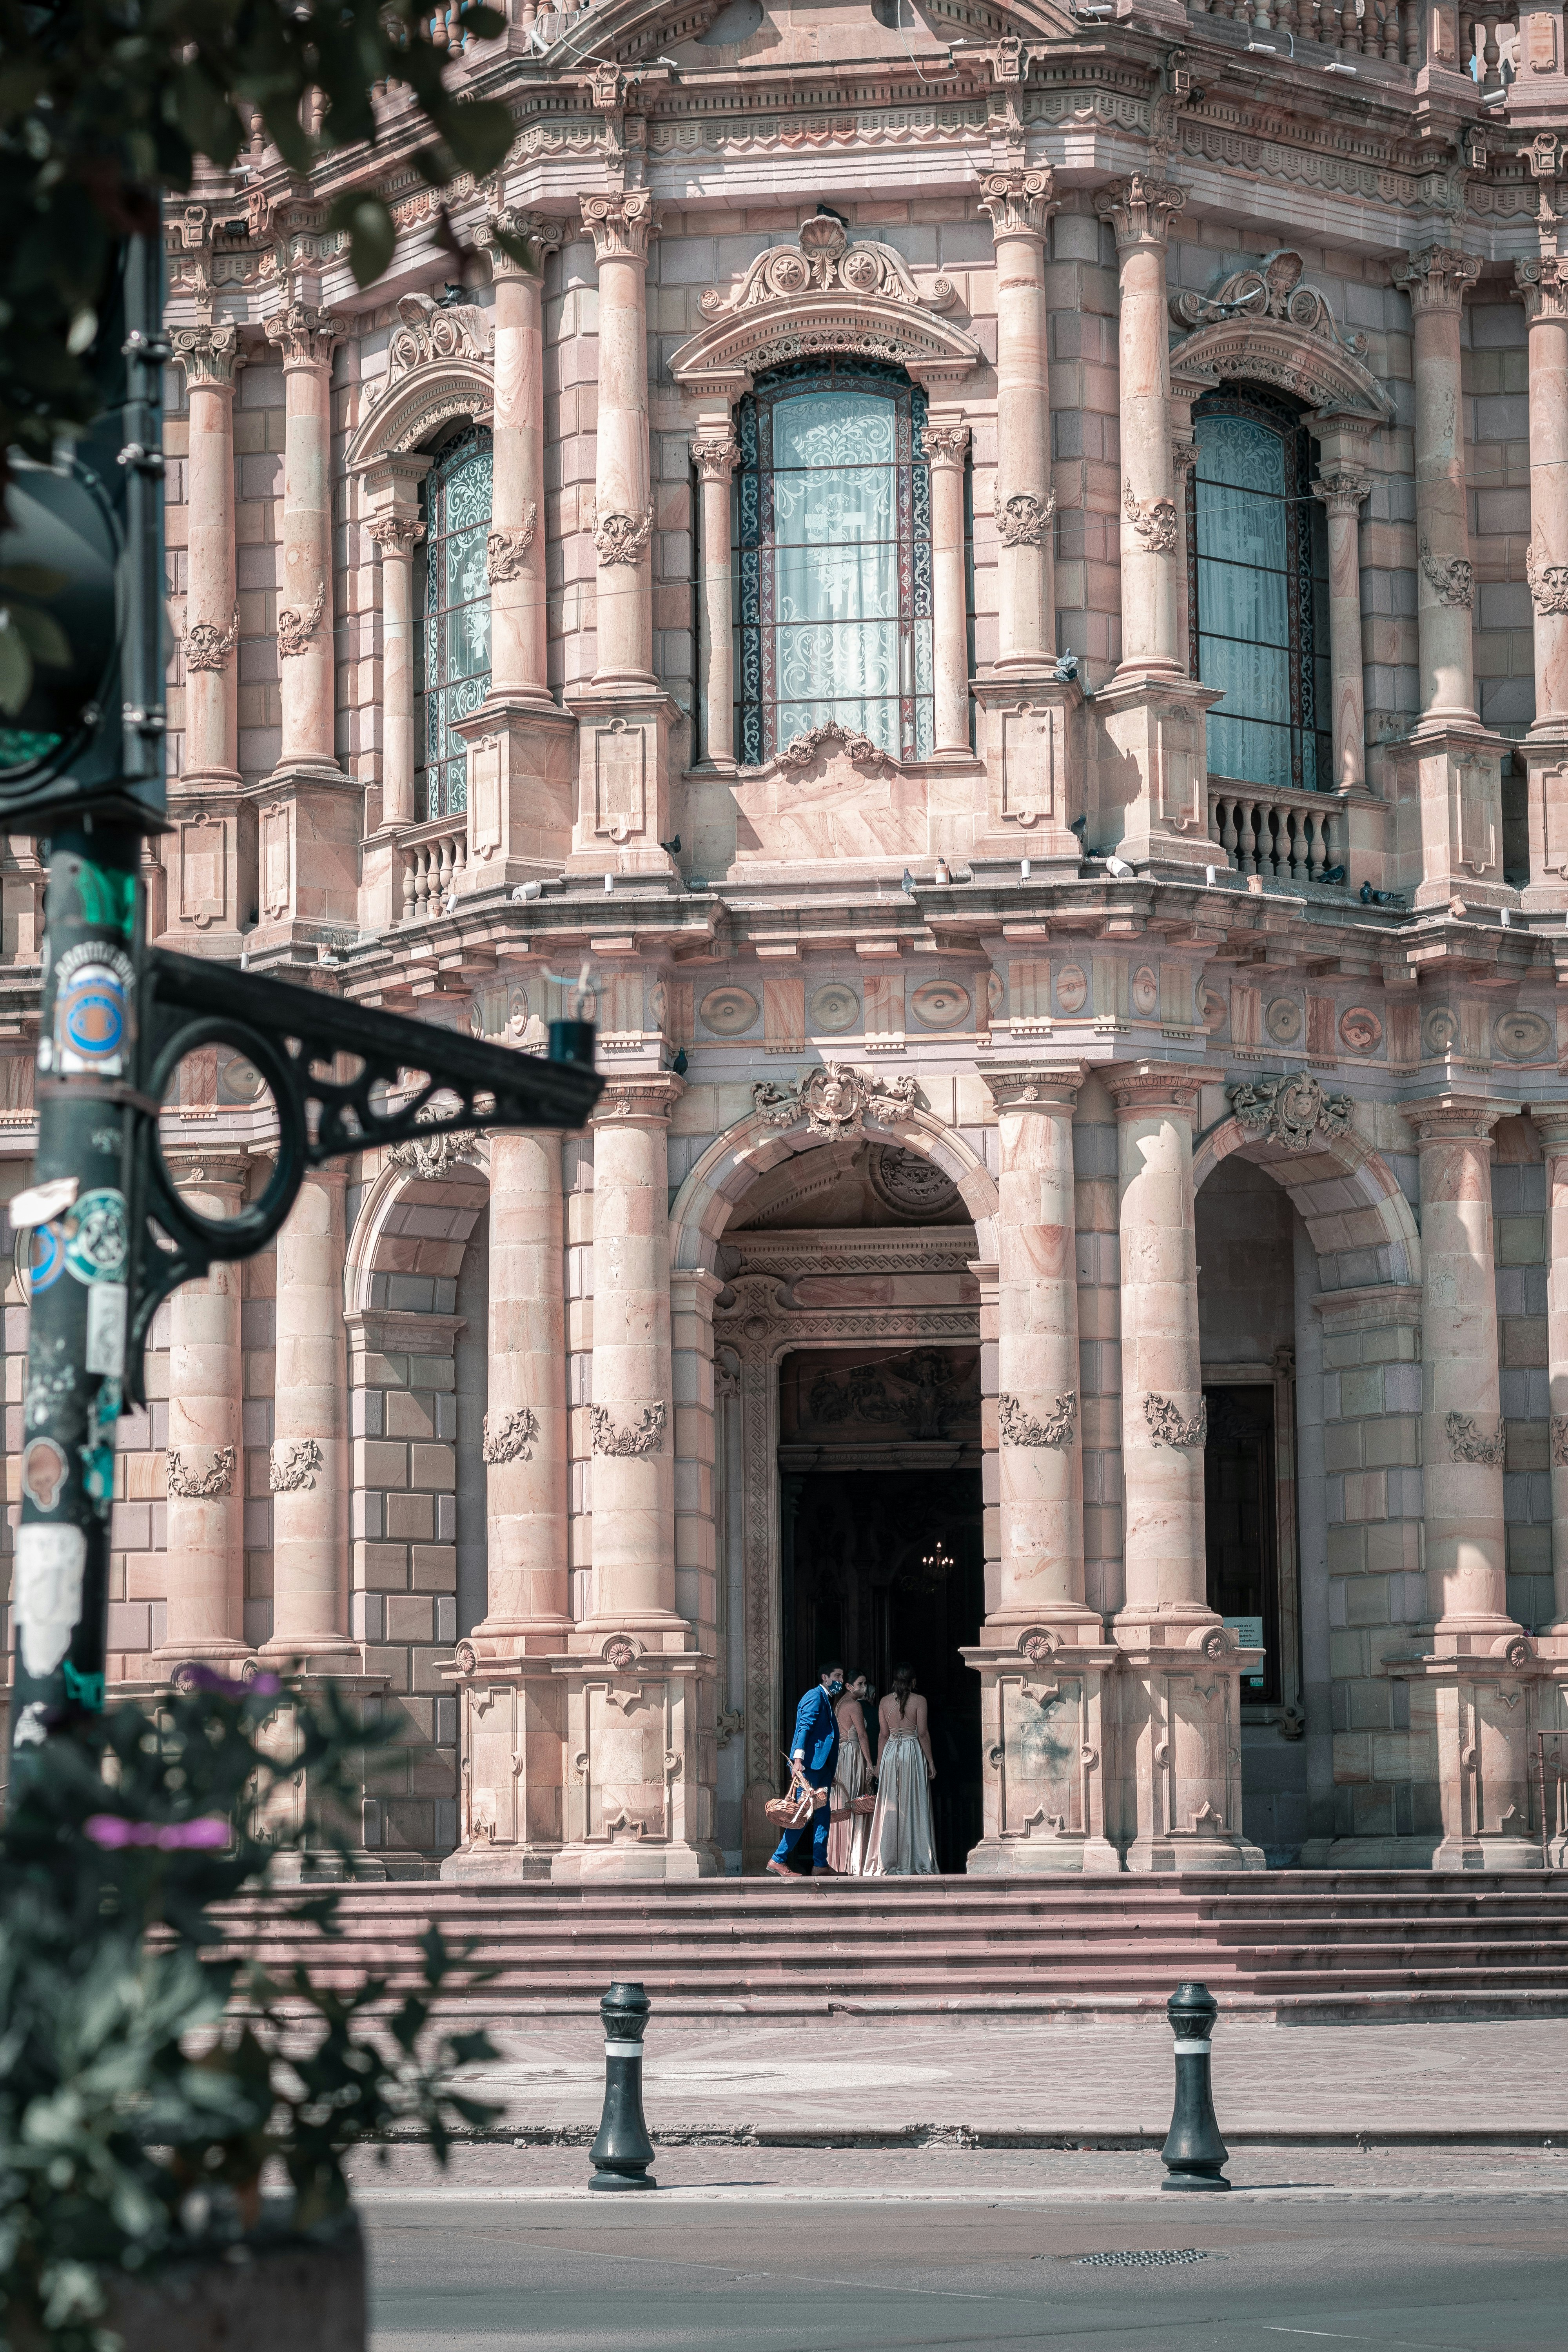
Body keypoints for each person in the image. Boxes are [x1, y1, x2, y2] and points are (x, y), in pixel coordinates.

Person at [766, 1659, 844, 1878]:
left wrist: (830, 1771)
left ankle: (820, 1864)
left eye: (842, 1677)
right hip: (810, 1767)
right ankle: (778, 1859)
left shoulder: (827, 1700)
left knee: (822, 1815)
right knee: (802, 1814)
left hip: (822, 1768)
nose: (840, 1681)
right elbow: (804, 1727)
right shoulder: (815, 1696)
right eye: (837, 1677)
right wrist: (798, 1760)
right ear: (825, 1678)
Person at [864, 1661, 937, 1877]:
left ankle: (888, 1858)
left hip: (891, 1754)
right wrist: (931, 1761)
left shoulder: (885, 1702)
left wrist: (878, 1765)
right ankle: (916, 1859)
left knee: (890, 1803)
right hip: (912, 1752)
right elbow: (923, 1734)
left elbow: (883, 1735)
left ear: (895, 1682)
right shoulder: (920, 1701)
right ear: (913, 1681)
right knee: (914, 1803)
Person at [826, 1671, 875, 1878]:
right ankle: (854, 1860)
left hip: (842, 1756)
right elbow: (863, 1737)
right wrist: (871, 1764)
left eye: (865, 1683)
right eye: (860, 1683)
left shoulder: (839, 1704)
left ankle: (840, 1858)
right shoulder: (854, 1705)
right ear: (849, 1686)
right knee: (855, 1803)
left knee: (844, 1804)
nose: (864, 1687)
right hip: (853, 1755)